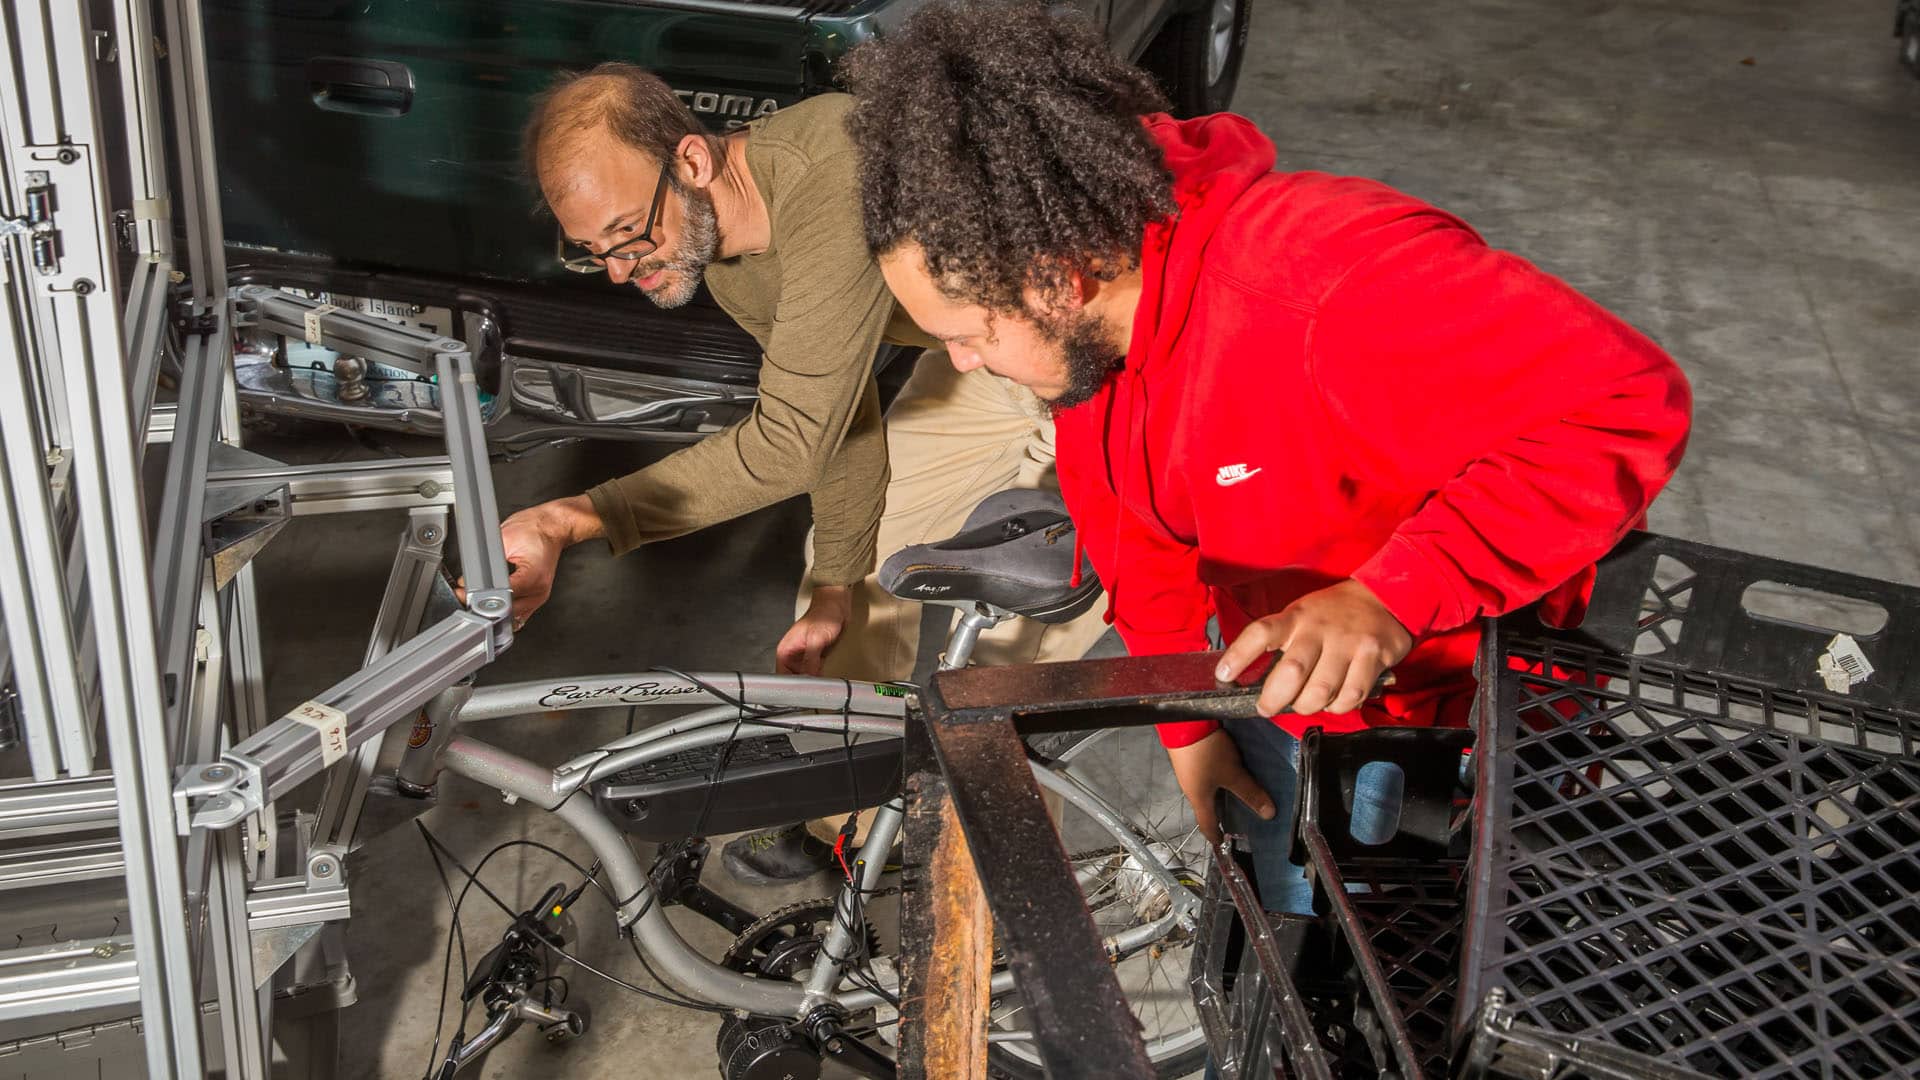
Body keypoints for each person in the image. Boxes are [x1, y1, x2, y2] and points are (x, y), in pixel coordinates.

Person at [841, 2, 1692, 912]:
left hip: (1448, 726)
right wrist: (1184, 724)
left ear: (1057, 277)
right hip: (1280, 700)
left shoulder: (1327, 282)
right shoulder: (1094, 344)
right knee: (1266, 968)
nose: (960, 363)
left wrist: (1392, 594)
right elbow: (1129, 526)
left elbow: (1624, 402)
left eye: (967, 335)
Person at [500, 64, 1109, 882]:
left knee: (1007, 652)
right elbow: (835, 412)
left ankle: (1025, 903)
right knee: (855, 584)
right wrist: (835, 585)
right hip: (979, 354)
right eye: (592, 253)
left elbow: (790, 439)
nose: (621, 270)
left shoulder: (831, 171)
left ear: (691, 160)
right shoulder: (720, 247)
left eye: (628, 233)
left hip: (1103, 355)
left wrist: (572, 518)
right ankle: (848, 827)